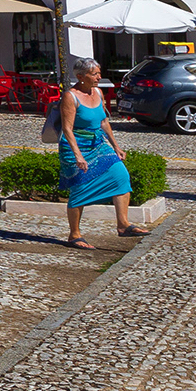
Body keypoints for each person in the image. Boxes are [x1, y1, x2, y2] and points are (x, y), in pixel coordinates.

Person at [58, 56, 146, 248]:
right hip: (76, 145)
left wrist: (116, 146)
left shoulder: (97, 92)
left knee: (120, 175)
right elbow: (67, 129)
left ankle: (123, 225)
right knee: (79, 187)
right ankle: (74, 234)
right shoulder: (70, 97)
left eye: (99, 73)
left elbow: (103, 121)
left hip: (98, 142)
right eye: (94, 73)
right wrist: (78, 155)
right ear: (81, 76)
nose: (99, 77)